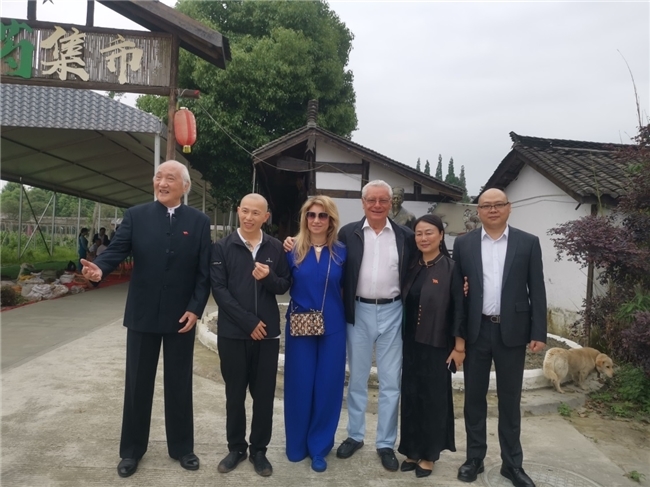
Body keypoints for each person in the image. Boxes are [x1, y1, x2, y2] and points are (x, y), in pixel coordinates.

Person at [81, 160, 211, 478]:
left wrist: (195, 308)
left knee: (179, 383)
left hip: (182, 317)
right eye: (158, 177)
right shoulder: (136, 216)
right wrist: (99, 270)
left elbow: (203, 271)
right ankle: (131, 451)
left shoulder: (198, 222)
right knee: (137, 384)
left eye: (170, 178)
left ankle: (182, 448)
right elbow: (116, 250)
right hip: (142, 315)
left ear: (185, 186)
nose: (162, 183)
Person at [452, 188, 547, 487]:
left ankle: (512, 464)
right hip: (477, 330)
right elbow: (458, 294)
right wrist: (458, 335)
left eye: (498, 205)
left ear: (509, 207)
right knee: (473, 398)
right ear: (478, 211)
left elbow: (537, 288)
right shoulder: (464, 243)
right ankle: (474, 458)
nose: (492, 210)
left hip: (513, 331)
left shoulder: (527, 242)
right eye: (486, 206)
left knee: (510, 399)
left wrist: (538, 331)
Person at [336, 180, 416, 471]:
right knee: (357, 378)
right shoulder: (348, 233)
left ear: (391, 203)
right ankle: (355, 435)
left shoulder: (405, 236)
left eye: (384, 200)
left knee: (391, 381)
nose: (378, 205)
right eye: (372, 200)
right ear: (363, 203)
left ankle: (385, 443)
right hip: (358, 311)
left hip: (393, 311)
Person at [210, 193, 292, 478]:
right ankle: (236, 448)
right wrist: (247, 321)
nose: (249, 217)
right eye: (245, 211)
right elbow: (219, 290)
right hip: (233, 334)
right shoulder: (222, 247)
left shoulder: (276, 248)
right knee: (234, 394)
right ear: (238, 211)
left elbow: (283, 285)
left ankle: (259, 450)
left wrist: (268, 277)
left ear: (265, 217)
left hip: (267, 336)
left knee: (264, 397)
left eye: (256, 213)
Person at [398, 214, 466, 478]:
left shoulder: (451, 268)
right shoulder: (411, 266)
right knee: (411, 396)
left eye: (429, 232)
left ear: (440, 235)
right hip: (411, 343)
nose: (423, 238)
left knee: (433, 399)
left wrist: (459, 347)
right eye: (419, 233)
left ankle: (429, 454)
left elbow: (459, 309)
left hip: (437, 344)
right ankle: (412, 449)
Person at [284, 196, 347, 473]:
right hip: (300, 326)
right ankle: (297, 444)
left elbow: (348, 287)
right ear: (305, 218)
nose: (317, 220)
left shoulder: (342, 252)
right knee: (299, 384)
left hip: (333, 327)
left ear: (331, 220)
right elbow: (279, 282)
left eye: (323, 215)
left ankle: (320, 447)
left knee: (327, 386)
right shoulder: (291, 249)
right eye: (311, 215)